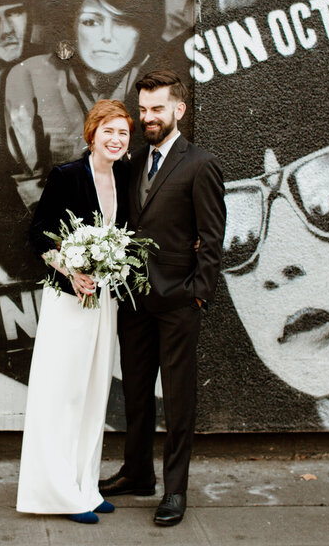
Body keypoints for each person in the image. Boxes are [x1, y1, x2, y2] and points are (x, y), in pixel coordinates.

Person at [99, 69, 226, 527]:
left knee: (177, 399)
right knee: (135, 392)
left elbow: (212, 239)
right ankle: (137, 474)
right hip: (134, 300)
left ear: (179, 109)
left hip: (178, 303)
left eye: (157, 109)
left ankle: (175, 490)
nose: (148, 117)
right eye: (144, 109)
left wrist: (198, 296)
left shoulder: (200, 164)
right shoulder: (133, 163)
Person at [16, 99, 133, 525]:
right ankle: (56, 492)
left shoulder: (122, 175)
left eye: (123, 133)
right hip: (69, 301)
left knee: (92, 395)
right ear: (92, 134)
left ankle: (84, 484)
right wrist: (71, 271)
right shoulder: (67, 176)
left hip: (104, 302)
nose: (116, 139)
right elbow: (38, 237)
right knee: (62, 395)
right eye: (109, 131)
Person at [3, 0, 162, 212]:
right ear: (72, 26)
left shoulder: (155, 84)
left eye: (122, 22)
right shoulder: (30, 76)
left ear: (141, 32)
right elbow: (27, 180)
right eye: (91, 22)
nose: (107, 36)